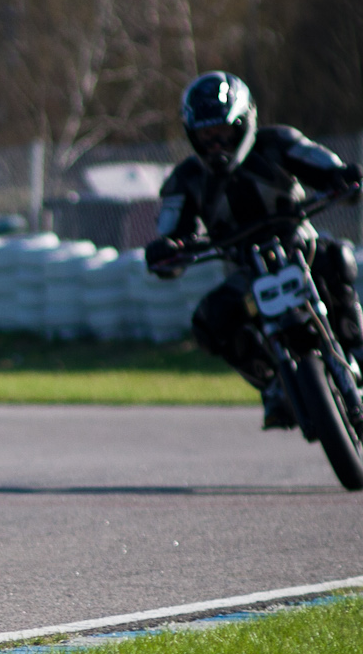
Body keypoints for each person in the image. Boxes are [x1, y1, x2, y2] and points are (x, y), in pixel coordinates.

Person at [146, 72, 363, 429]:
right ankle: (274, 385)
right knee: (209, 320)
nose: (216, 144)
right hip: (247, 272)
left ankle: (355, 346)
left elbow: (326, 167)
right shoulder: (185, 179)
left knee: (339, 258)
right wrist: (168, 251)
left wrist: (342, 179)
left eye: (223, 133)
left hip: (301, 248)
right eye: (206, 136)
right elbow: (173, 232)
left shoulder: (279, 142)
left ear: (244, 123)